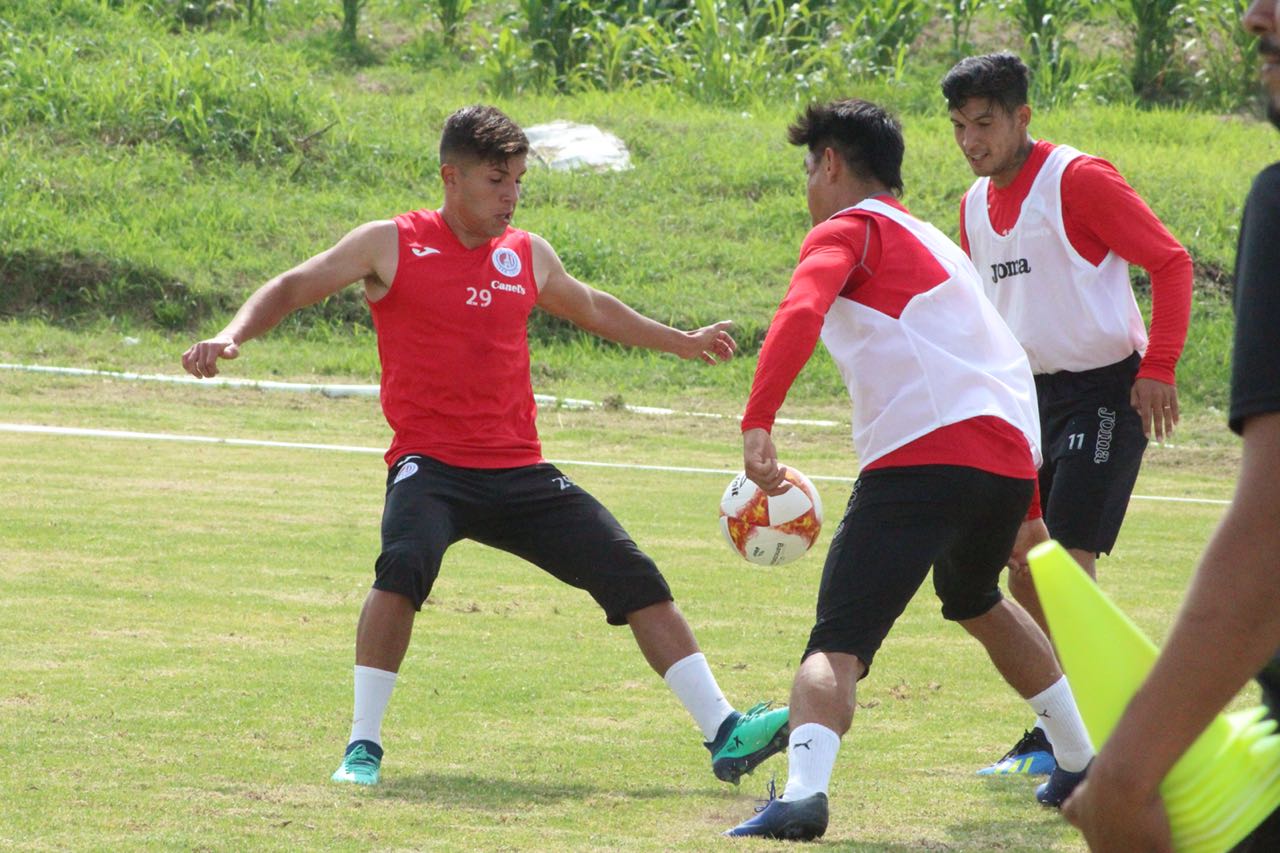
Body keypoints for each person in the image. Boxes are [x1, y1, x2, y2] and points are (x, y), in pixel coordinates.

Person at [180, 104, 790, 789]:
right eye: (498, 181)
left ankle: (725, 731)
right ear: (452, 177)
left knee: (633, 573)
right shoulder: (392, 243)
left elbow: (593, 305)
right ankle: (362, 746)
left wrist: (680, 340)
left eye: (519, 181)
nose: (512, 195)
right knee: (403, 565)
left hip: (519, 469)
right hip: (431, 466)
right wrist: (235, 334)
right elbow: (295, 284)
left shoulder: (525, 253)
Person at [722, 98, 1096, 841]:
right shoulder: (940, 246)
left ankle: (801, 793)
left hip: (924, 458)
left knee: (838, 641)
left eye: (809, 168)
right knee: (975, 596)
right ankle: (1082, 758)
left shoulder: (848, 228)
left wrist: (758, 418)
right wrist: (1024, 506)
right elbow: (1002, 367)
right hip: (1003, 457)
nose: (808, 186)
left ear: (830, 163)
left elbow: (802, 308)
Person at [1060, 2, 1280, 850]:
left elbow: (1271, 536)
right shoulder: (979, 206)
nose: (1255, 16)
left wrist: (1124, 772)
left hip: (1104, 396)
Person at [942, 51, 1194, 778]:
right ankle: (1067, 726)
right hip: (1025, 402)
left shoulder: (1078, 180)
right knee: (1025, 565)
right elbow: (978, 320)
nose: (971, 140)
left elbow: (1170, 262)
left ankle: (1096, 746)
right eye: (959, 126)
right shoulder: (972, 207)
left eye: (984, 123)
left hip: (1104, 391)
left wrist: (1160, 366)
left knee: (1065, 565)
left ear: (1023, 116)